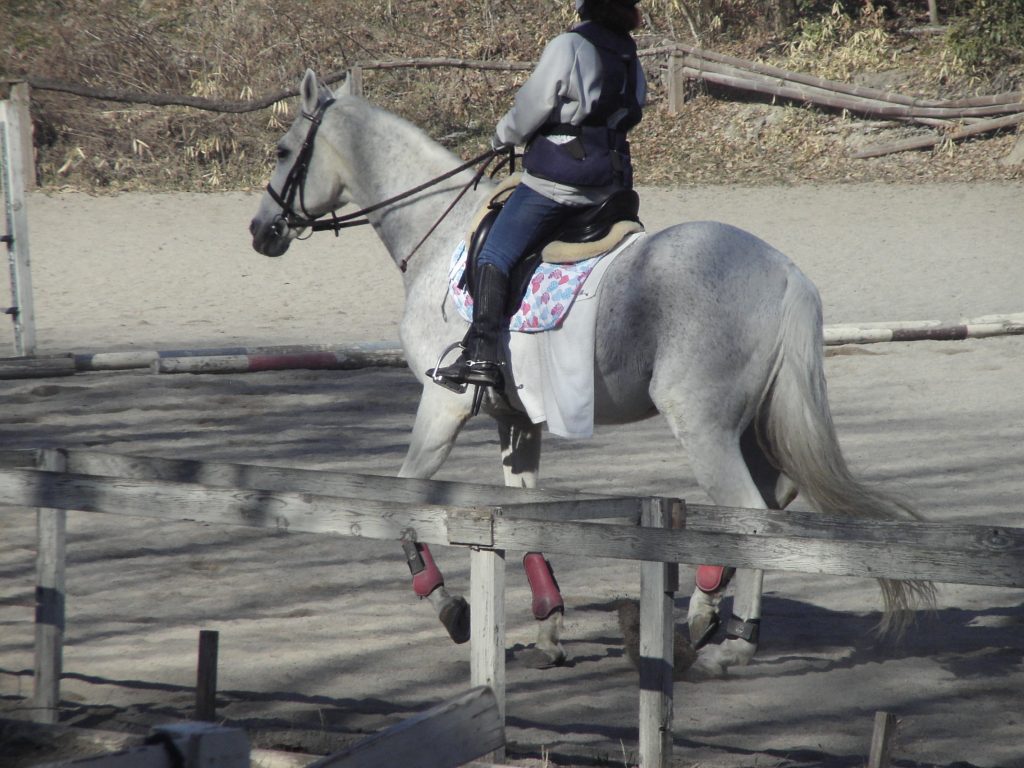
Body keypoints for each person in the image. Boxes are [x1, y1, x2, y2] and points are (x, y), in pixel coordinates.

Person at [432, 0, 647, 390]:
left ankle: (481, 354)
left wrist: (503, 137)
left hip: (560, 183)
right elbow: (635, 109)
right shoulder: (629, 54)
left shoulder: (570, 46)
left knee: (494, 253)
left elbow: (533, 104)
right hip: (610, 186)